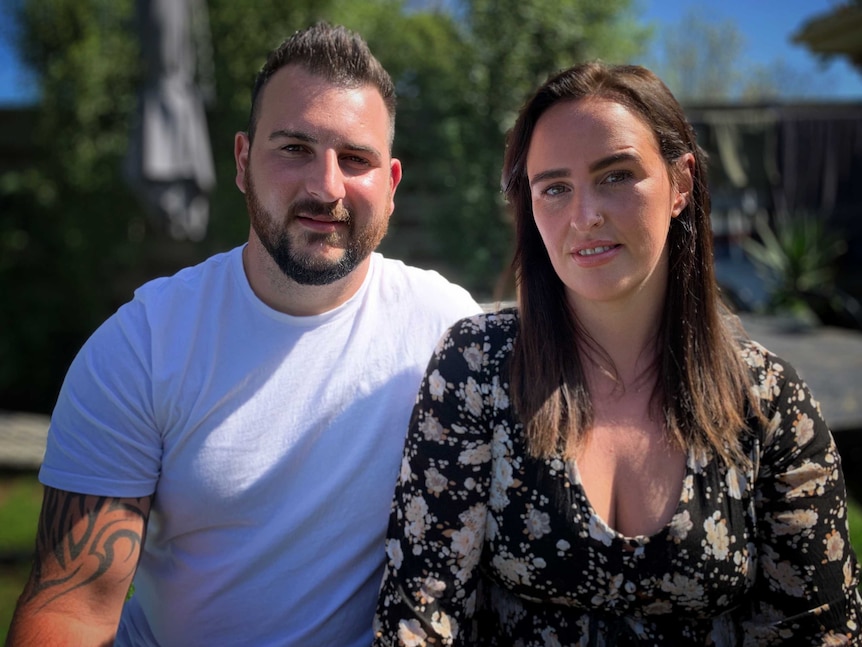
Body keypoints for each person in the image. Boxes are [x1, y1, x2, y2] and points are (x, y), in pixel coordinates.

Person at [7, 22, 481, 647]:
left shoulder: (448, 335)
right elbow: (71, 609)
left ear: (390, 187)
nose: (326, 187)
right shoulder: (143, 347)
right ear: (241, 161)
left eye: (356, 159)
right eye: (293, 148)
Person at [372, 61, 862, 645]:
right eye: (554, 188)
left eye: (616, 175)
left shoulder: (768, 400)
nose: (585, 216)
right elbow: (421, 614)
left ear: (681, 185)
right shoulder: (477, 368)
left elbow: (818, 631)